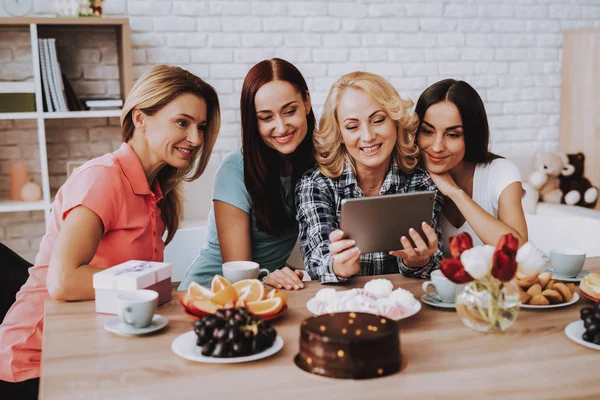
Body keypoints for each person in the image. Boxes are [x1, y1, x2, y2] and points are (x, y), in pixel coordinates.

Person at [0, 65, 220, 399]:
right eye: (182, 122)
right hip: (33, 364)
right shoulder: (102, 178)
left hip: (89, 350)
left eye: (200, 127)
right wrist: (153, 286)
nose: (196, 138)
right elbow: (63, 281)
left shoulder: (155, 192)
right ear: (141, 118)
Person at [180, 58, 316, 291]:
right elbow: (238, 272)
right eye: (266, 118)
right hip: (210, 292)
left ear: (306, 102)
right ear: (254, 121)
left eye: (289, 111)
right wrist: (266, 278)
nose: (281, 127)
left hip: (264, 291)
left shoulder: (317, 161)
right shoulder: (235, 170)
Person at [296, 71, 443, 283]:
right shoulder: (316, 184)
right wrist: (338, 266)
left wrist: (417, 261)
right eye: (352, 126)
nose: (368, 136)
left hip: (403, 302)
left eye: (378, 120)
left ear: (395, 121)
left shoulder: (420, 181)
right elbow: (317, 259)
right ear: (340, 134)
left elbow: (433, 260)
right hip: (341, 305)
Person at [414, 79, 527, 255]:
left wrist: (455, 192)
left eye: (452, 135)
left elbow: (517, 249)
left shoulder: (500, 172)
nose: (437, 147)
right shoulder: (409, 177)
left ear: (471, 136)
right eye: (427, 131)